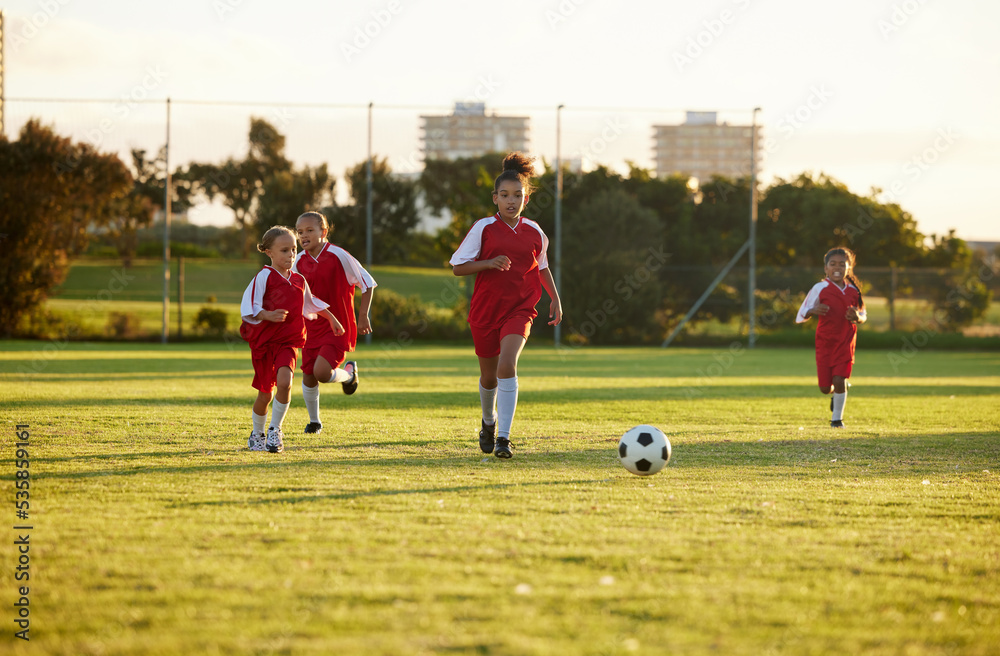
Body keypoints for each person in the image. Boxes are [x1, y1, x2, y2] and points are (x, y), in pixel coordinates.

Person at [449, 152, 563, 459]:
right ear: (495, 198)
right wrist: (488, 263)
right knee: (488, 377)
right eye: (504, 195)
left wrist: (554, 297)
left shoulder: (535, 231)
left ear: (526, 199)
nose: (511, 201)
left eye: (517, 195)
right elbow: (458, 267)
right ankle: (488, 421)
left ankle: (504, 438)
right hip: (485, 311)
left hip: (521, 309)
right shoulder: (483, 228)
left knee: (507, 365)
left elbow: (541, 267)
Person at [240, 226, 344, 453]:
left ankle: (275, 431)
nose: (291, 255)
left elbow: (311, 302)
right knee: (265, 393)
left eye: (293, 250)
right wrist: (267, 315)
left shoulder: (299, 280)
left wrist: (332, 318)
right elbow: (249, 306)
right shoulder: (264, 277)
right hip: (264, 344)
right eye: (284, 250)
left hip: (288, 342)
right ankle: (257, 433)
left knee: (286, 383)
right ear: (269, 252)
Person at [292, 211, 376, 434]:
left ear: (324, 232)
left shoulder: (339, 255)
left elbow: (367, 283)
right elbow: (293, 292)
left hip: (338, 327)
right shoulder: (298, 261)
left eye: (310, 230)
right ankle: (314, 422)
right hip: (309, 328)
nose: (304, 235)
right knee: (308, 375)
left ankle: (348, 374)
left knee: (321, 372)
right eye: (300, 232)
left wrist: (363, 315)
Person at [795, 247, 867, 428]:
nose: (837, 267)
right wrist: (813, 310)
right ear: (826, 268)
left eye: (842, 264)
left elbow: (863, 314)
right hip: (825, 342)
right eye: (832, 264)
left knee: (839, 379)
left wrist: (856, 317)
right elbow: (802, 312)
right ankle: (838, 393)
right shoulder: (820, 288)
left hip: (846, 341)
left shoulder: (854, 291)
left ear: (848, 267)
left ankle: (837, 420)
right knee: (825, 388)